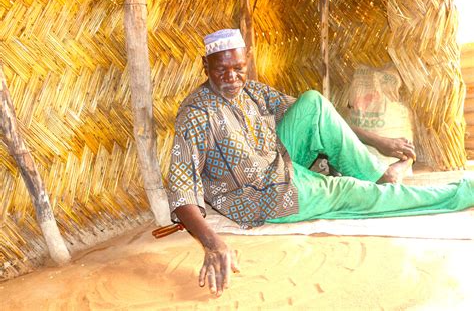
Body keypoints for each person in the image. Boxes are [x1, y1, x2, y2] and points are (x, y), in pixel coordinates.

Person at [166, 29, 473, 297]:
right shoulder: (195, 115)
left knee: (312, 101)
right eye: (221, 70)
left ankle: (378, 174)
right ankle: (463, 192)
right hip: (263, 195)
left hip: (277, 160)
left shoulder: (251, 91)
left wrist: (378, 140)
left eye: (238, 67)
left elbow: (318, 116)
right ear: (206, 66)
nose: (231, 77)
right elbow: (181, 190)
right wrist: (212, 243)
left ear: (247, 61)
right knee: (354, 193)